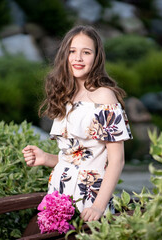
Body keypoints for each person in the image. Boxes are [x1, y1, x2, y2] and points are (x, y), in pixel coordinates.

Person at [22, 25, 132, 222]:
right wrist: (46, 158)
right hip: (59, 194)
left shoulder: (104, 96)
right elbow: (77, 159)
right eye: (72, 51)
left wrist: (98, 207)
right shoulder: (66, 95)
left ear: (96, 57)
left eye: (86, 52)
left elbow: (117, 160)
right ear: (65, 55)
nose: (78, 58)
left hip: (89, 199)